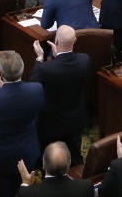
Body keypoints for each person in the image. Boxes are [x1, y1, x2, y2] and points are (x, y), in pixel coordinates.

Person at [0, 51, 44, 196]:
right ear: (23, 68)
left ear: (0, 73)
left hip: (0, 157)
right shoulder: (36, 89)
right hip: (27, 153)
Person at [30, 26, 92, 165]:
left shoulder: (45, 68)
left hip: (51, 123)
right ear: (75, 40)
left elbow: (33, 84)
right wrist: (58, 55)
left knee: (49, 159)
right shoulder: (84, 60)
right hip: (75, 120)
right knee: (75, 156)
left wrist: (40, 58)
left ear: (56, 41)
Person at [17, 142, 93, 197]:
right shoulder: (86, 187)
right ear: (69, 163)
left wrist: (26, 183)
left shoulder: (27, 193)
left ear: (43, 165)